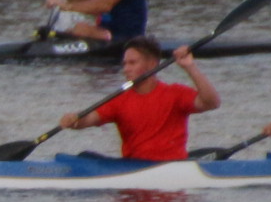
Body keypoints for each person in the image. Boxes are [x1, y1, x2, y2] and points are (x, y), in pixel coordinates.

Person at [58, 37, 219, 160]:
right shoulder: (119, 100)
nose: (126, 69)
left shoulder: (175, 94)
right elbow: (90, 119)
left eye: (132, 63)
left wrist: (190, 67)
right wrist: (75, 120)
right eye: (125, 63)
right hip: (134, 171)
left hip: (171, 170)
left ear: (152, 64)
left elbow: (212, 103)